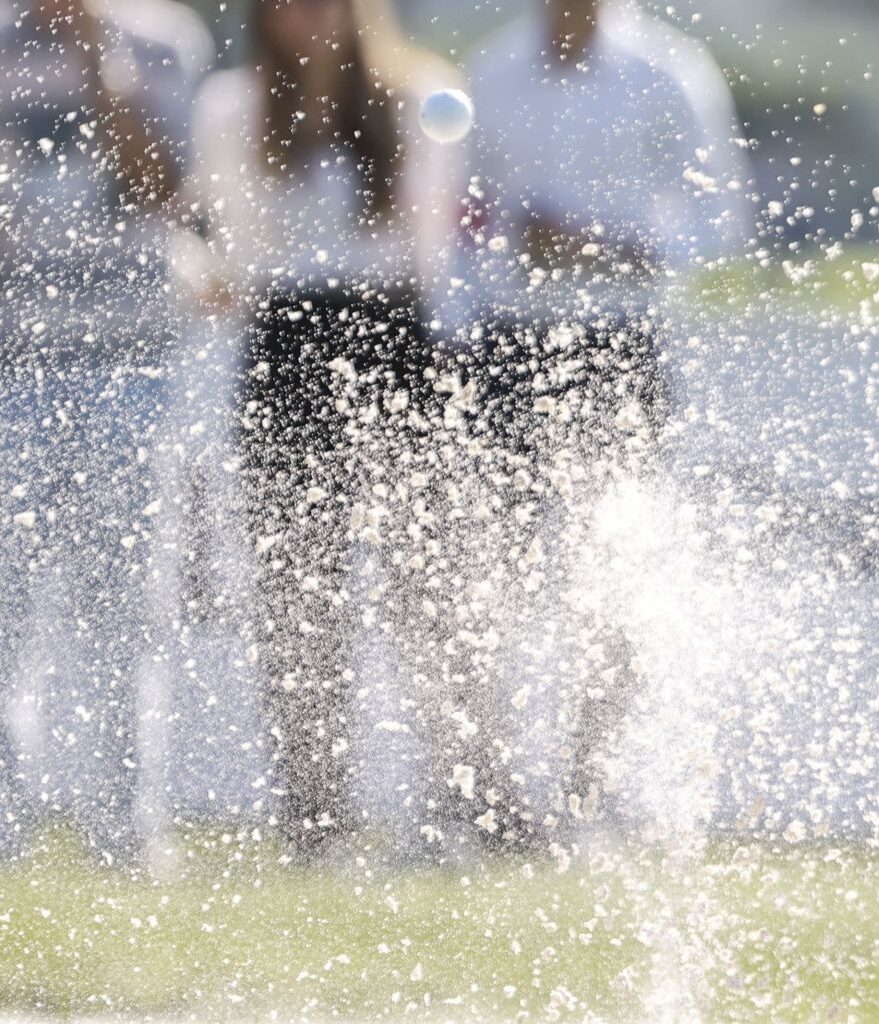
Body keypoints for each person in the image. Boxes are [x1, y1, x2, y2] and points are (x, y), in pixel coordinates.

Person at [178, 0, 501, 861]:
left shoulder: (423, 94)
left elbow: (435, 245)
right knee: (297, 597)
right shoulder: (232, 105)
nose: (302, 17)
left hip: (395, 334)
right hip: (285, 343)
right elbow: (233, 243)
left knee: (429, 592)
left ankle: (460, 803)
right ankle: (315, 819)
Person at [454, 0, 751, 839]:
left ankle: (590, 782)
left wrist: (605, 243)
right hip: (507, 344)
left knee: (613, 572)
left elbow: (719, 218)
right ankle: (493, 797)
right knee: (494, 574)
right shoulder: (490, 70)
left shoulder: (669, 70)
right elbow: (463, 215)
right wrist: (509, 246)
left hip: (623, 346)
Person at [0, 0, 211, 863]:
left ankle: (126, 830)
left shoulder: (166, 43)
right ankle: (7, 826)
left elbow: (164, 191)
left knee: (122, 615)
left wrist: (100, 63)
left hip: (133, 364)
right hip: (12, 365)